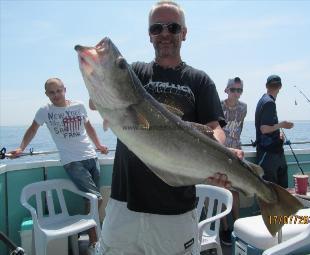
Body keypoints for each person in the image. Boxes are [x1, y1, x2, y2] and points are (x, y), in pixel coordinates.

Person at [97, 1, 243, 254]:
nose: (165, 33)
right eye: (157, 28)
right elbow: (105, 94)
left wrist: (221, 153)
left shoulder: (199, 80)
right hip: (123, 204)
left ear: (184, 33)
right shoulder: (136, 74)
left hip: (175, 210)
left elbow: (214, 128)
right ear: (150, 34)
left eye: (173, 27)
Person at [9, 78, 108, 254]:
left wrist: (99, 145)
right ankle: (94, 241)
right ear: (46, 94)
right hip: (72, 161)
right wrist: (21, 147)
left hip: (91, 157)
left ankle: (88, 233)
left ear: (65, 90)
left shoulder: (78, 105)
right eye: (51, 92)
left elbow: (89, 127)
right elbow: (33, 129)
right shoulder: (45, 111)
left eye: (58, 91)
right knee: (97, 198)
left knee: (90, 199)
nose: (56, 95)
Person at [220, 77, 247, 245]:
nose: (236, 93)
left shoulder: (244, 108)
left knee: (235, 191)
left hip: (236, 153)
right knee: (222, 190)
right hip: (221, 153)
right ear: (226, 90)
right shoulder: (218, 107)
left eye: (239, 90)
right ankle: (225, 228)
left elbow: (240, 127)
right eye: (233, 90)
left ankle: (238, 226)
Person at [255, 75, 293, 188]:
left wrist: (278, 133)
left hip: (274, 152)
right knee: (273, 191)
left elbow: (269, 126)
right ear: (280, 87)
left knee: (278, 191)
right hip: (268, 154)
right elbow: (264, 128)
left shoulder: (264, 100)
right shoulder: (269, 103)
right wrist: (283, 125)